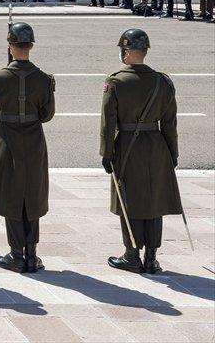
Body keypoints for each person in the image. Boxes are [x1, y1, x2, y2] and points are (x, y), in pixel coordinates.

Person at [102, 29, 182, 275]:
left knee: (130, 200)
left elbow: (108, 122)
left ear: (126, 52)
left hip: (128, 144)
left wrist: (106, 152)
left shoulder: (115, 81)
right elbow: (170, 122)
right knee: (154, 202)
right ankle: (152, 258)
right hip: (157, 146)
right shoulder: (163, 81)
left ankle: (131, 254)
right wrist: (172, 153)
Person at [0, 22, 55, 273]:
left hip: (9, 137)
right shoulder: (44, 79)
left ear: (10, 46)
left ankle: (16, 253)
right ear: (32, 45)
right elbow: (47, 114)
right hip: (34, 137)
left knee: (11, 192)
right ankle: (32, 253)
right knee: (32, 193)